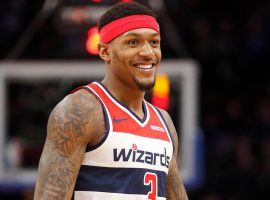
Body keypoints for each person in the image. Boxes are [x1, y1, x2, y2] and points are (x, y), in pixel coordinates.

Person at [34, 2, 188, 200]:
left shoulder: (164, 122)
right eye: (133, 42)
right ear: (105, 51)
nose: (148, 52)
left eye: (154, 42)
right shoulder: (82, 110)